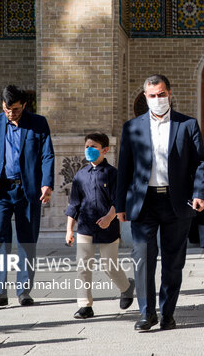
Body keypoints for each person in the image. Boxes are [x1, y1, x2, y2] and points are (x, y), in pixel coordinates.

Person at [116, 74, 204, 331]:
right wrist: (120, 205)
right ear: (145, 97)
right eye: (152, 96)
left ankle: (167, 313)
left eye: (161, 94)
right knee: (143, 258)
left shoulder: (187, 124)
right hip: (143, 203)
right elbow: (124, 168)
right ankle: (147, 314)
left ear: (170, 93)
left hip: (176, 202)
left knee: (173, 261)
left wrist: (200, 193)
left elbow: (199, 162)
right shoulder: (132, 127)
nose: (157, 99)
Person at [0, 85, 55, 308]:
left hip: (28, 191)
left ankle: (24, 291)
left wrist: (46, 183)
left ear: (24, 105)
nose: (11, 113)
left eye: (15, 109)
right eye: (6, 109)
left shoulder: (38, 123)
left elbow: (47, 155)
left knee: (27, 241)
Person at [64, 133, 135, 319]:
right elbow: (74, 204)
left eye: (93, 146)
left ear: (105, 150)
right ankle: (85, 306)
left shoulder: (113, 174)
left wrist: (110, 218)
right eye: (87, 146)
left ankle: (126, 287)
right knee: (82, 266)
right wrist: (69, 230)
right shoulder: (80, 175)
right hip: (85, 228)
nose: (89, 150)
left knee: (109, 265)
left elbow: (118, 200)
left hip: (108, 227)